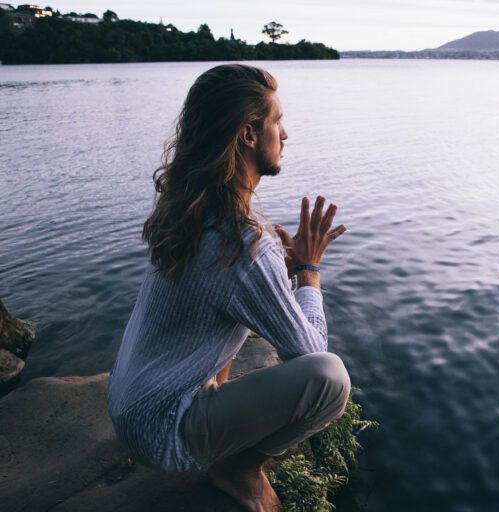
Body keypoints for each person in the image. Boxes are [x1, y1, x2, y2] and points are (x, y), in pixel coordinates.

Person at [106, 64, 351, 512]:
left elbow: (227, 291)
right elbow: (310, 350)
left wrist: (280, 273)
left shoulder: (189, 207)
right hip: (163, 431)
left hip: (129, 407)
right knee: (330, 379)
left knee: (227, 311)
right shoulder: (244, 241)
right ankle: (237, 469)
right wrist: (309, 272)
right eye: (277, 121)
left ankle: (213, 413)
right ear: (249, 135)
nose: (286, 134)